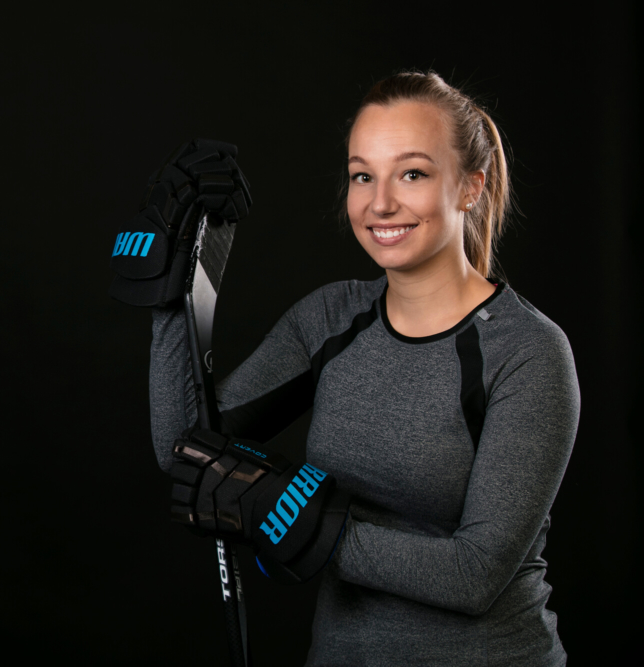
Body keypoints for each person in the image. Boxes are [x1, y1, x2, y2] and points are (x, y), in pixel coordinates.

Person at [142, 72, 580, 665]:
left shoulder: (526, 351)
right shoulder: (331, 317)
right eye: (362, 175)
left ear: (470, 188)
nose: (380, 203)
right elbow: (184, 449)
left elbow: (475, 576)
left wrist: (301, 522)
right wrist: (178, 286)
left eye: (413, 173)